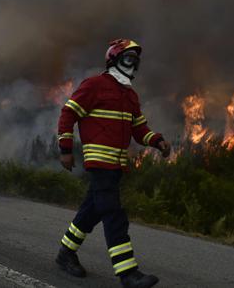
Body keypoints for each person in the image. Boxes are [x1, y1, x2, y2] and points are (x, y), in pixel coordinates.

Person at [56, 39, 171, 288]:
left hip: (116, 166)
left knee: (92, 211)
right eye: (128, 58)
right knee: (114, 214)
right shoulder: (95, 85)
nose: (133, 65)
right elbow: (68, 113)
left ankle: (65, 253)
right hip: (100, 163)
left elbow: (139, 129)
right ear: (114, 59)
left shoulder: (129, 95)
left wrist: (157, 141)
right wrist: (65, 149)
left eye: (136, 61)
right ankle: (128, 274)